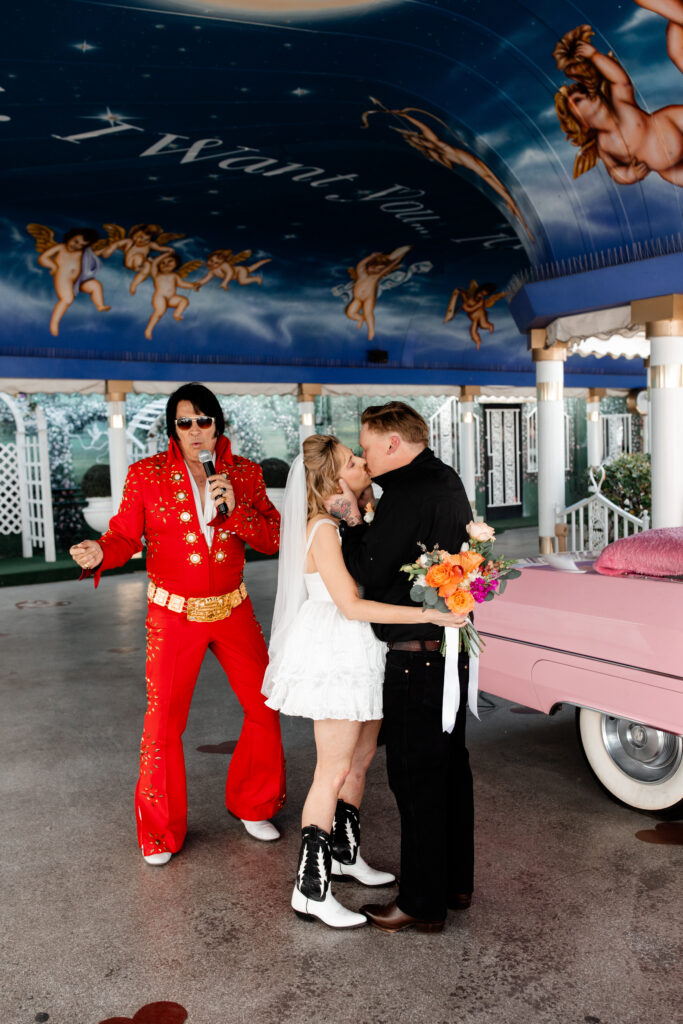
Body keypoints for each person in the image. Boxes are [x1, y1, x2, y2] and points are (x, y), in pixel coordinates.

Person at [69, 383, 285, 865]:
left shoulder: (244, 474)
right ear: (172, 428)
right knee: (164, 721)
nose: (194, 430)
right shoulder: (146, 475)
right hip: (172, 613)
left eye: (203, 420)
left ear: (218, 424)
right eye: (183, 421)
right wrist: (102, 552)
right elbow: (125, 535)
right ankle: (159, 831)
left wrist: (239, 510)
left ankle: (254, 804)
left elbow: (272, 538)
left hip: (233, 609)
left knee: (267, 703)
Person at [261, 434, 466, 929]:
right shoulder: (322, 530)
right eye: (354, 462)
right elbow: (350, 605)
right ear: (333, 479)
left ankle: (345, 853)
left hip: (366, 648)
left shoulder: (355, 522)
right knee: (331, 771)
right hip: (336, 649)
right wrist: (428, 615)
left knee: (361, 761)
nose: (363, 463)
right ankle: (311, 889)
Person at [329, 401, 474, 934]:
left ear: (392, 442)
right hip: (450, 653)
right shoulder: (445, 478)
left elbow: (368, 569)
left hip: (416, 659)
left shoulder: (406, 493)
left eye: (366, 446)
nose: (363, 456)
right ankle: (454, 883)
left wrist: (351, 519)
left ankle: (420, 902)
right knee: (451, 771)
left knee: (416, 780)